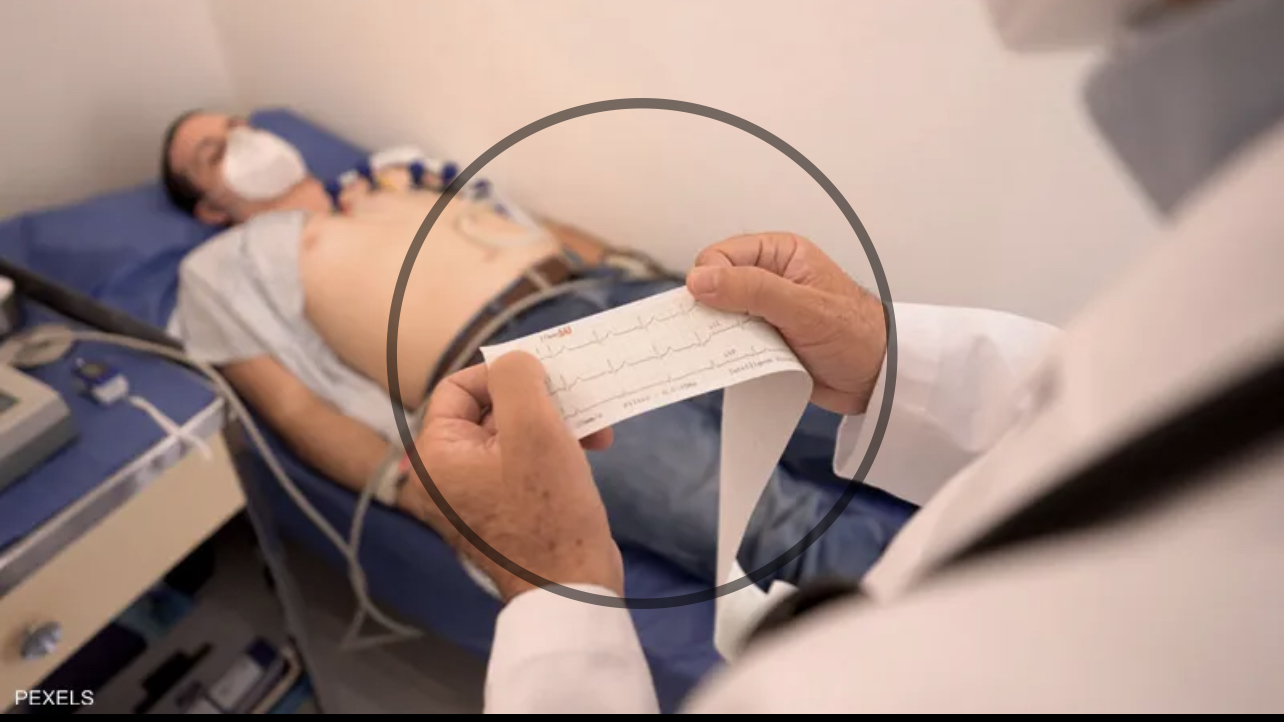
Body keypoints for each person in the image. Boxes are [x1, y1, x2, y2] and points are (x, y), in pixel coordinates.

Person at [409, 0, 1284, 712]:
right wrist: (884, 356)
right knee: (761, 515)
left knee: (778, 490)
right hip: (470, 367)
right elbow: (1114, 415)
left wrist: (553, 594)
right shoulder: (1241, 254)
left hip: (599, 298)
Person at [159, 112, 916, 591]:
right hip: (524, 372)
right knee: (772, 521)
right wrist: (411, 488)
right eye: (215, 149)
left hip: (611, 292)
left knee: (860, 411)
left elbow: (527, 223)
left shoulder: (387, 172)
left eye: (242, 125)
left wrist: (639, 269)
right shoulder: (221, 267)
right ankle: (943, 622)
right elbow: (291, 406)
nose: (247, 140)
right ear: (207, 206)